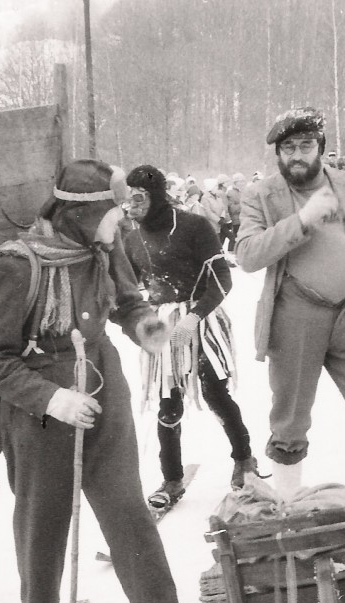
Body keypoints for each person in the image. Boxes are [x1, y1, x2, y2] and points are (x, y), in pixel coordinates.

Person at [0, 159, 189, 603]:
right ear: (82, 212)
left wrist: (146, 327)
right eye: (117, 209)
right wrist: (51, 398)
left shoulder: (99, 248)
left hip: (101, 382)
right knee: (41, 516)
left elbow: (127, 302)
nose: (125, 218)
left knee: (125, 507)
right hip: (38, 405)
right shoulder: (16, 265)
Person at [236, 107, 345, 500]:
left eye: (306, 145)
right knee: (290, 422)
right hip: (295, 319)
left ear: (322, 148)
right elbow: (246, 254)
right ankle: (291, 507)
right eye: (288, 147)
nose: (297, 155)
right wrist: (303, 220)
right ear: (277, 154)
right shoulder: (260, 195)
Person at [122, 164, 257, 507]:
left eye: (139, 198)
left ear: (155, 196)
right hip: (162, 324)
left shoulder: (194, 226)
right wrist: (142, 320)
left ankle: (244, 459)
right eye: (129, 200)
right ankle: (171, 479)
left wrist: (194, 317)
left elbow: (222, 279)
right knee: (167, 403)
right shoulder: (131, 238)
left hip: (200, 317)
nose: (133, 207)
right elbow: (128, 289)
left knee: (214, 393)